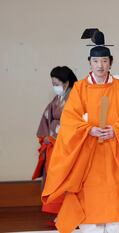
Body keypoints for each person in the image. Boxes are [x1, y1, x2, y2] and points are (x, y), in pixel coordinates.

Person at [41, 30, 119, 233]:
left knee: (116, 205)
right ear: (90, 63)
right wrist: (88, 130)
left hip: (115, 153)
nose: (100, 66)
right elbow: (70, 120)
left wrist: (116, 130)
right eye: (96, 61)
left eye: (104, 61)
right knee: (89, 206)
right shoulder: (80, 89)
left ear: (110, 62)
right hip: (88, 154)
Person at [33, 66, 78, 215]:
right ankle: (58, 212)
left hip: (67, 145)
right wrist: (46, 136)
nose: (55, 87)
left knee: (66, 177)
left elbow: (76, 122)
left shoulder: (75, 97)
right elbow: (47, 116)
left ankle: (68, 213)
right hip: (53, 143)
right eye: (53, 84)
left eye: (56, 83)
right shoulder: (57, 99)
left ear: (66, 83)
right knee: (53, 176)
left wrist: (55, 136)